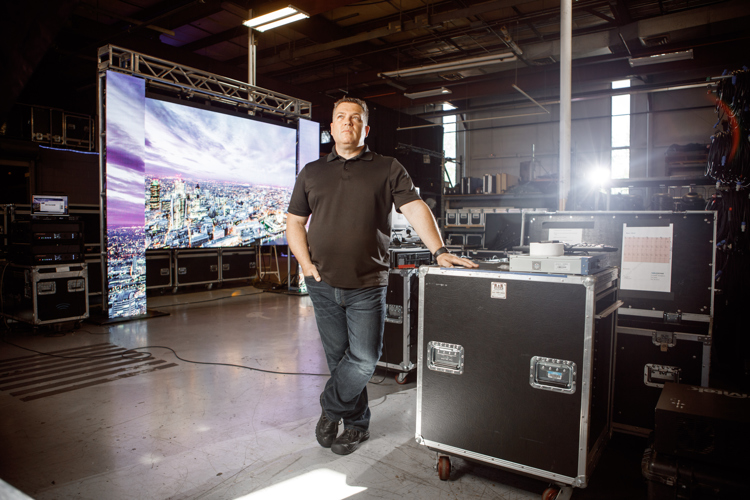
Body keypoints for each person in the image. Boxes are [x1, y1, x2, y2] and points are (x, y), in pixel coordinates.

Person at [286, 97, 477, 456]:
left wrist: (439, 250)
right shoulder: (312, 172)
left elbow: (416, 207)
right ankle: (356, 426)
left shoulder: (388, 168)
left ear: (365, 129)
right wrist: (306, 265)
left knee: (363, 358)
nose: (347, 123)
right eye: (340, 117)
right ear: (331, 128)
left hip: (367, 285)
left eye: (355, 118)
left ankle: (331, 409)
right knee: (339, 358)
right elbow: (295, 222)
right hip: (322, 284)